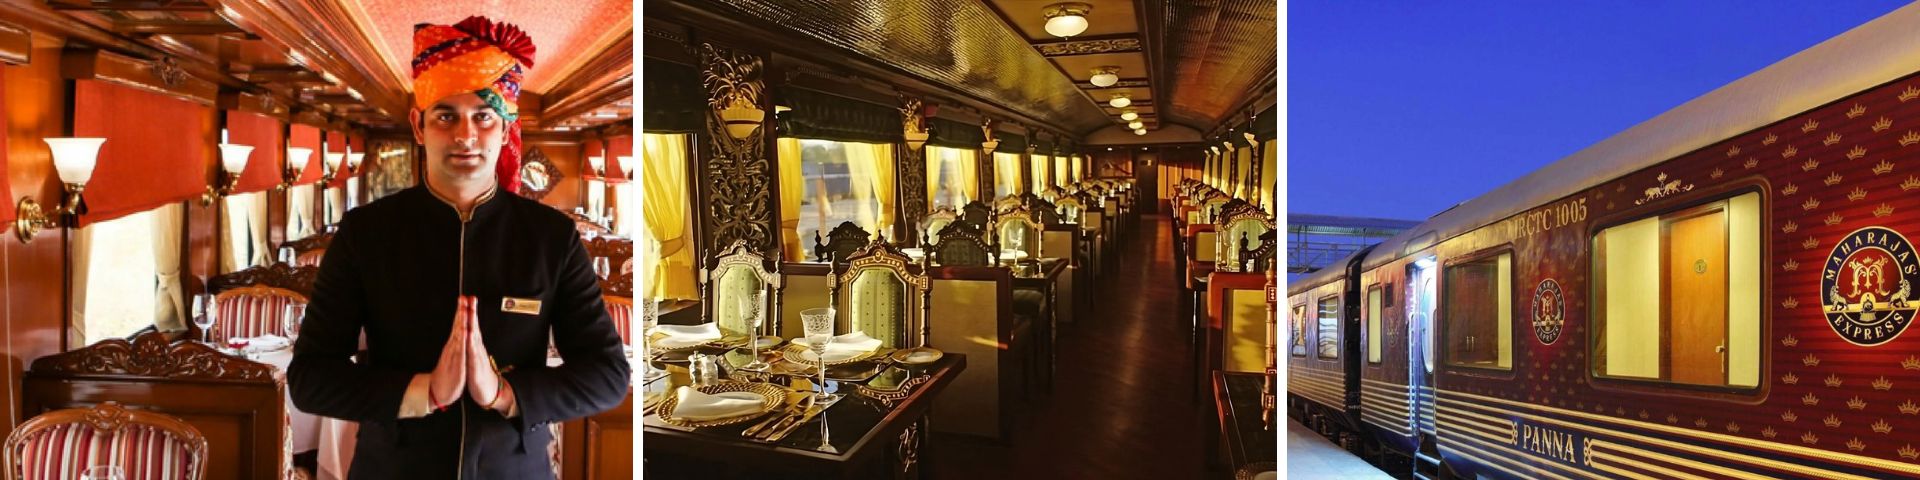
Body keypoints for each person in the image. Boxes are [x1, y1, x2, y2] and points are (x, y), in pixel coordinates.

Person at [288, 16, 629, 479]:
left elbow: (608, 374)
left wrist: (503, 393)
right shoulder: (365, 233)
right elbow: (309, 378)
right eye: (446, 115)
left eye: (483, 116)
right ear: (418, 125)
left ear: (505, 128)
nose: (466, 135)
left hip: (513, 470)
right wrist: (423, 392)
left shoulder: (551, 237)